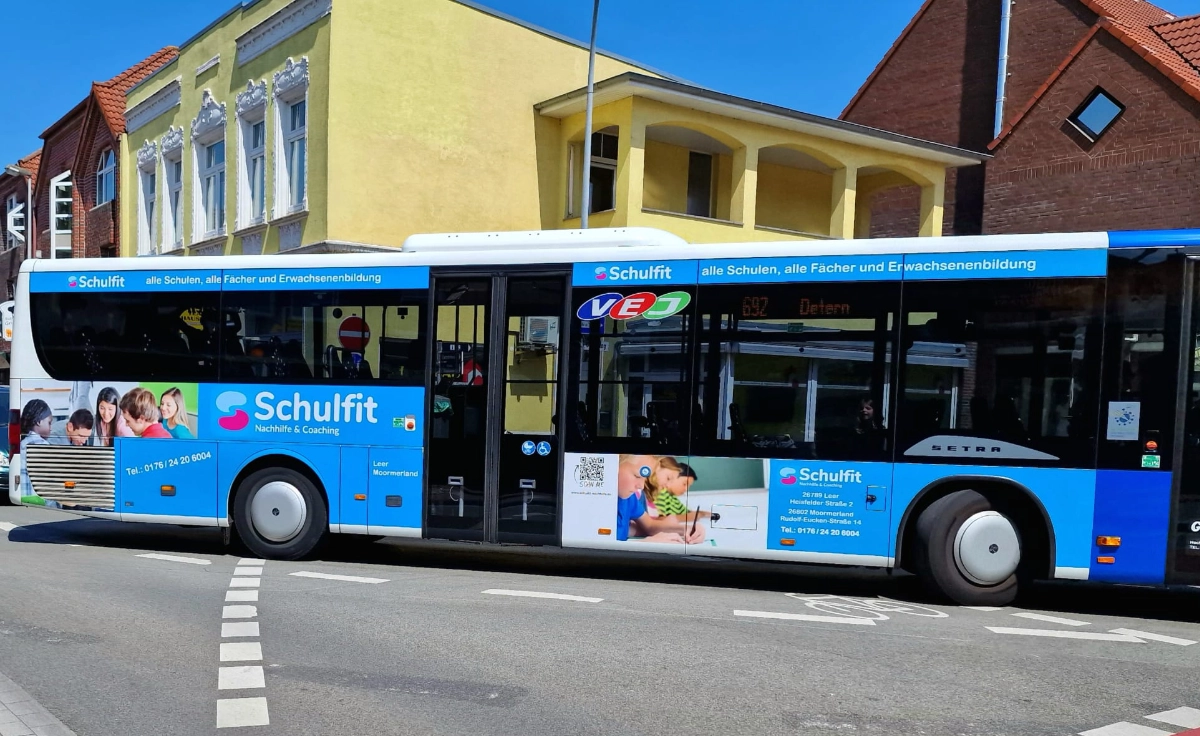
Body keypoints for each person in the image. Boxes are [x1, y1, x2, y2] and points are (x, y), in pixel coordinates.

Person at [614, 454, 705, 545]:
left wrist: (686, 529)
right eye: (637, 476)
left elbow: (650, 525)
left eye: (645, 478)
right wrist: (644, 544)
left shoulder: (630, 499)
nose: (641, 486)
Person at [647, 457, 711, 523]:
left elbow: (688, 512)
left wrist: (702, 514)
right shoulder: (660, 493)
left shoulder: (673, 498)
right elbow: (655, 520)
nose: (686, 489)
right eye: (684, 484)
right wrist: (687, 517)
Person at [18, 400, 53, 502]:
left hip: (23, 501)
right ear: (39, 422)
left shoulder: (21, 444)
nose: (51, 428)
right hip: (40, 503)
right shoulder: (44, 446)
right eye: (49, 423)